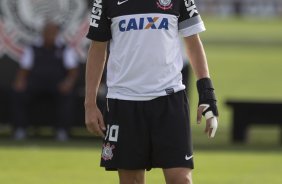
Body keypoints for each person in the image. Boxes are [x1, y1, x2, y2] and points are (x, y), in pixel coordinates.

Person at [85, 0, 219, 183]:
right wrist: (90, 104)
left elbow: (193, 42)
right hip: (124, 102)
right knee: (132, 181)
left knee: (181, 180)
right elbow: (98, 48)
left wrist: (207, 93)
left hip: (170, 100)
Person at [12, 22, 79, 141]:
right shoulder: (33, 48)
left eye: (52, 33)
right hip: (36, 83)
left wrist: (68, 83)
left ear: (57, 34)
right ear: (42, 33)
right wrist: (20, 81)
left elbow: (72, 70)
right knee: (18, 93)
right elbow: (24, 69)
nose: (50, 35)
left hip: (57, 84)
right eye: (47, 32)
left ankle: (62, 131)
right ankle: (20, 129)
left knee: (67, 95)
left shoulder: (64, 48)